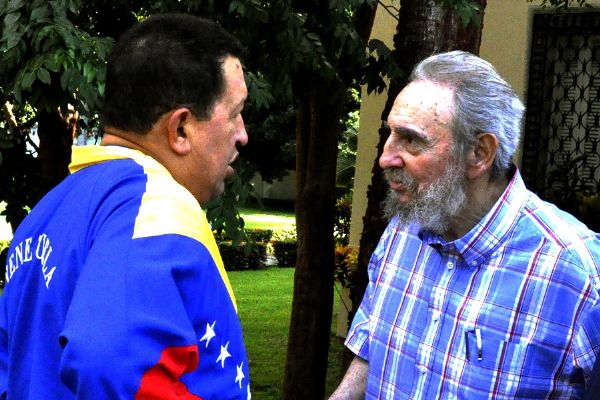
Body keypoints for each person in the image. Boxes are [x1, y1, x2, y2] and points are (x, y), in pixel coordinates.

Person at [0, 13, 251, 399]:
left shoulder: (47, 212)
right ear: (180, 129)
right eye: (234, 114)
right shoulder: (159, 203)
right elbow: (107, 359)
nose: (243, 135)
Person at [330, 50, 600, 399]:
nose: (385, 157)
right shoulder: (404, 228)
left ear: (480, 153)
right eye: (390, 133)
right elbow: (372, 349)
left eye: (411, 139)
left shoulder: (578, 277)